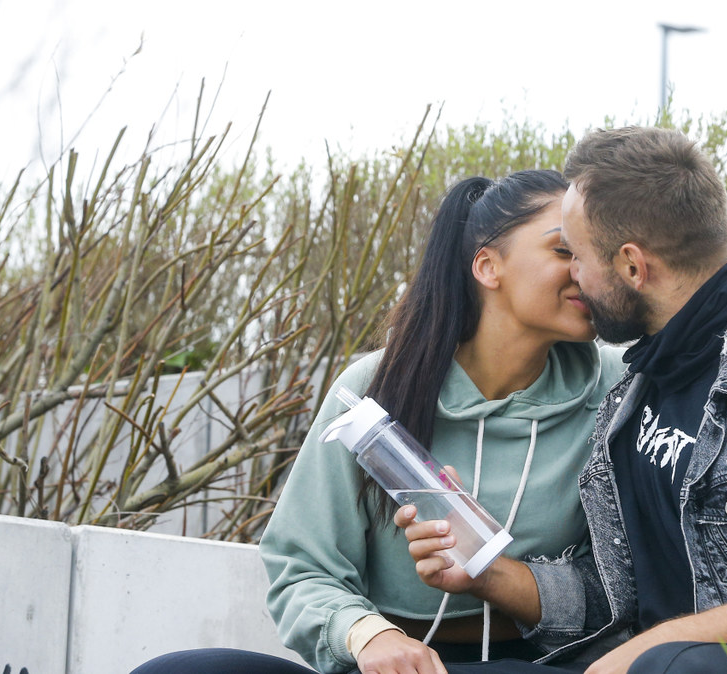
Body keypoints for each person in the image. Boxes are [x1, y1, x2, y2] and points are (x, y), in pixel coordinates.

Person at [398, 127, 727, 674]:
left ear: (633, 266)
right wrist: (486, 571)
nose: (575, 277)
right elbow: (618, 595)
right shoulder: (635, 387)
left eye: (577, 255)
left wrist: (659, 649)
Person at [130, 170, 626, 674]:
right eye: (565, 251)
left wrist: (493, 575)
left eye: (594, 253)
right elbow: (302, 566)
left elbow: (624, 582)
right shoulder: (377, 385)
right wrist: (371, 636)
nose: (588, 270)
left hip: (536, 664)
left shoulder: (619, 388)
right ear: (488, 267)